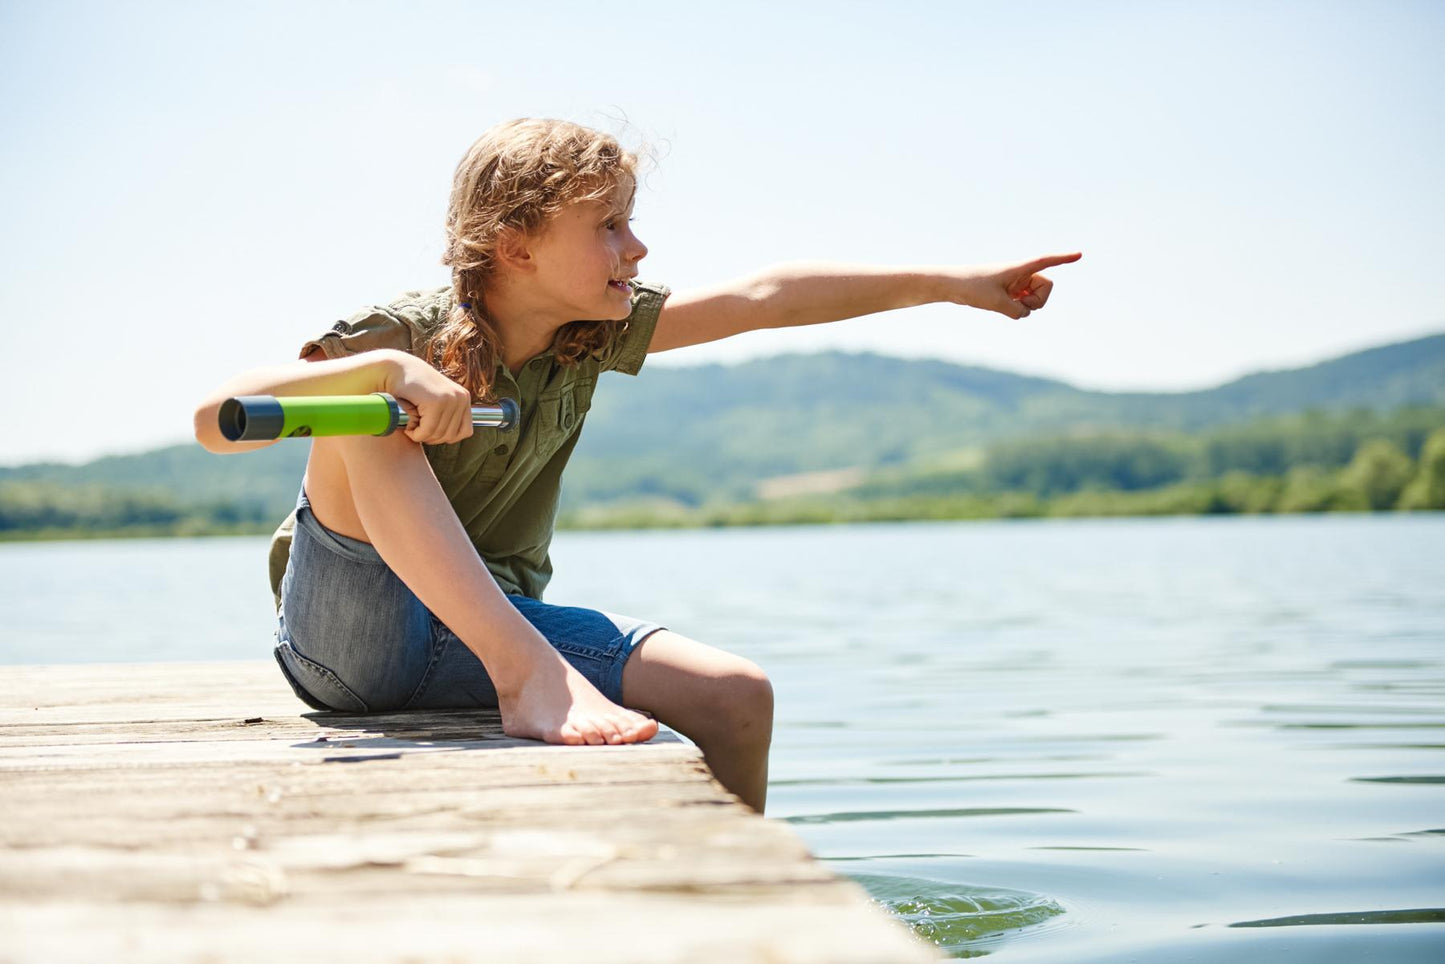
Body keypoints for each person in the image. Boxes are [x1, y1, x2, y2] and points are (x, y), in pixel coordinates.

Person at [194, 117, 1081, 815]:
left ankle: (731, 908)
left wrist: (953, 282)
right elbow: (217, 416)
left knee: (738, 695)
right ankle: (528, 677)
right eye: (609, 226)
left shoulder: (595, 334)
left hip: (489, 622)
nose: (638, 249)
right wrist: (389, 371)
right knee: (364, 417)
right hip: (353, 644)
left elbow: (765, 297)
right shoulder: (407, 331)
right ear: (517, 247)